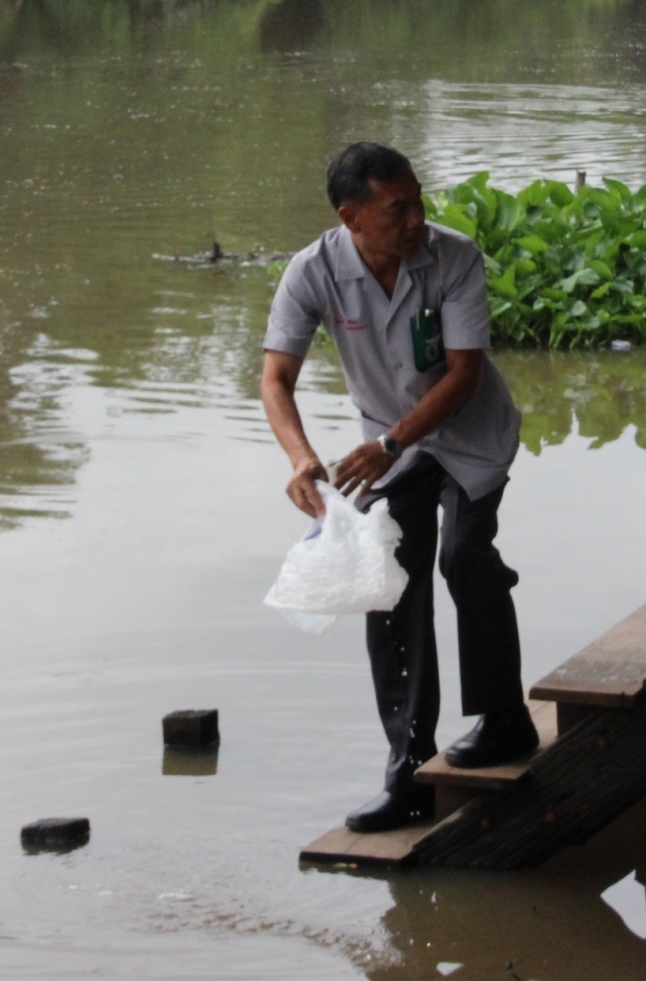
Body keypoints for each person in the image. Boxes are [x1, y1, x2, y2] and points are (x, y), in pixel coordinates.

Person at [260, 142, 537, 833]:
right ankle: (409, 770)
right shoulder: (311, 272)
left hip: (467, 437)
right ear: (351, 217)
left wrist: (388, 443)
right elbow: (275, 378)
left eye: (418, 201)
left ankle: (504, 719)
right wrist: (300, 457)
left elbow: (464, 373)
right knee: (388, 582)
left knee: (464, 556)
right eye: (398, 208)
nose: (417, 219)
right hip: (391, 447)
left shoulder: (454, 256)